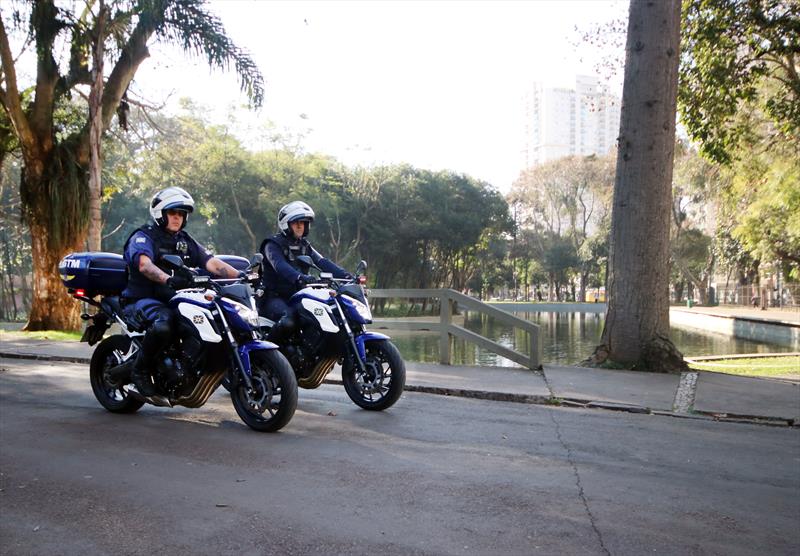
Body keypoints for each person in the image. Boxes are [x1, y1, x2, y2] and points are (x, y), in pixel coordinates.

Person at [121, 186, 242, 396]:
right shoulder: (143, 237)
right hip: (143, 298)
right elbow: (144, 265)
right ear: (161, 214)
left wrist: (241, 276)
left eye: (181, 214)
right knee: (164, 325)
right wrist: (168, 279)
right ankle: (139, 371)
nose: (177, 218)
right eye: (173, 213)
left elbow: (211, 262)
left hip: (174, 298)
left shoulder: (184, 241)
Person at [259, 201, 351, 342]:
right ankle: (267, 356)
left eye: (303, 222)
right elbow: (280, 265)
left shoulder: (304, 245)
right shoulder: (272, 244)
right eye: (296, 222)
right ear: (286, 224)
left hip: (298, 296)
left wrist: (347, 276)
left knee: (325, 316)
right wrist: (300, 277)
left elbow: (322, 262)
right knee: (289, 321)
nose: (300, 226)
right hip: (274, 297)